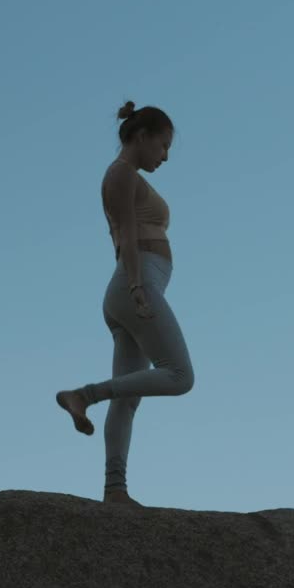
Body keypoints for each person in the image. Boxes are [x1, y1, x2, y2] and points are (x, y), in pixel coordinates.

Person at [55, 101, 194, 508]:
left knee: (129, 399)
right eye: (163, 145)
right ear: (141, 135)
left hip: (133, 288)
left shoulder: (125, 176)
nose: (165, 156)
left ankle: (114, 489)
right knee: (180, 376)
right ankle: (84, 394)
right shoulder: (121, 174)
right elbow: (127, 236)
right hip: (135, 285)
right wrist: (136, 285)